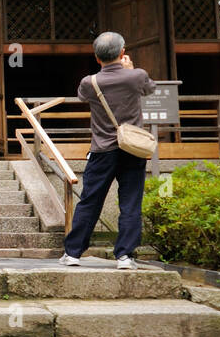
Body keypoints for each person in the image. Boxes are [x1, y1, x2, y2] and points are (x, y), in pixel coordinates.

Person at [60, 31, 156, 271]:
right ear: (123, 53)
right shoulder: (137, 76)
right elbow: (150, 89)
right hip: (132, 149)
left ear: (96, 56)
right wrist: (131, 68)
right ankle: (124, 256)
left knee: (90, 201)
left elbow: (83, 97)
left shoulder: (89, 82)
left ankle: (72, 253)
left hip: (102, 149)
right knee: (131, 202)